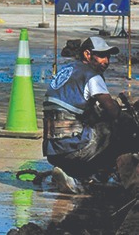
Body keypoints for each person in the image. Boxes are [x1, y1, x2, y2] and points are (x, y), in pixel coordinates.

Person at [43, 36, 136, 194]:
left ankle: (73, 174)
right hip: (74, 148)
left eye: (108, 56)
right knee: (121, 129)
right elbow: (112, 110)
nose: (106, 61)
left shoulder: (67, 70)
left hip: (52, 150)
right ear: (87, 54)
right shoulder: (92, 75)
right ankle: (104, 177)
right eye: (101, 56)